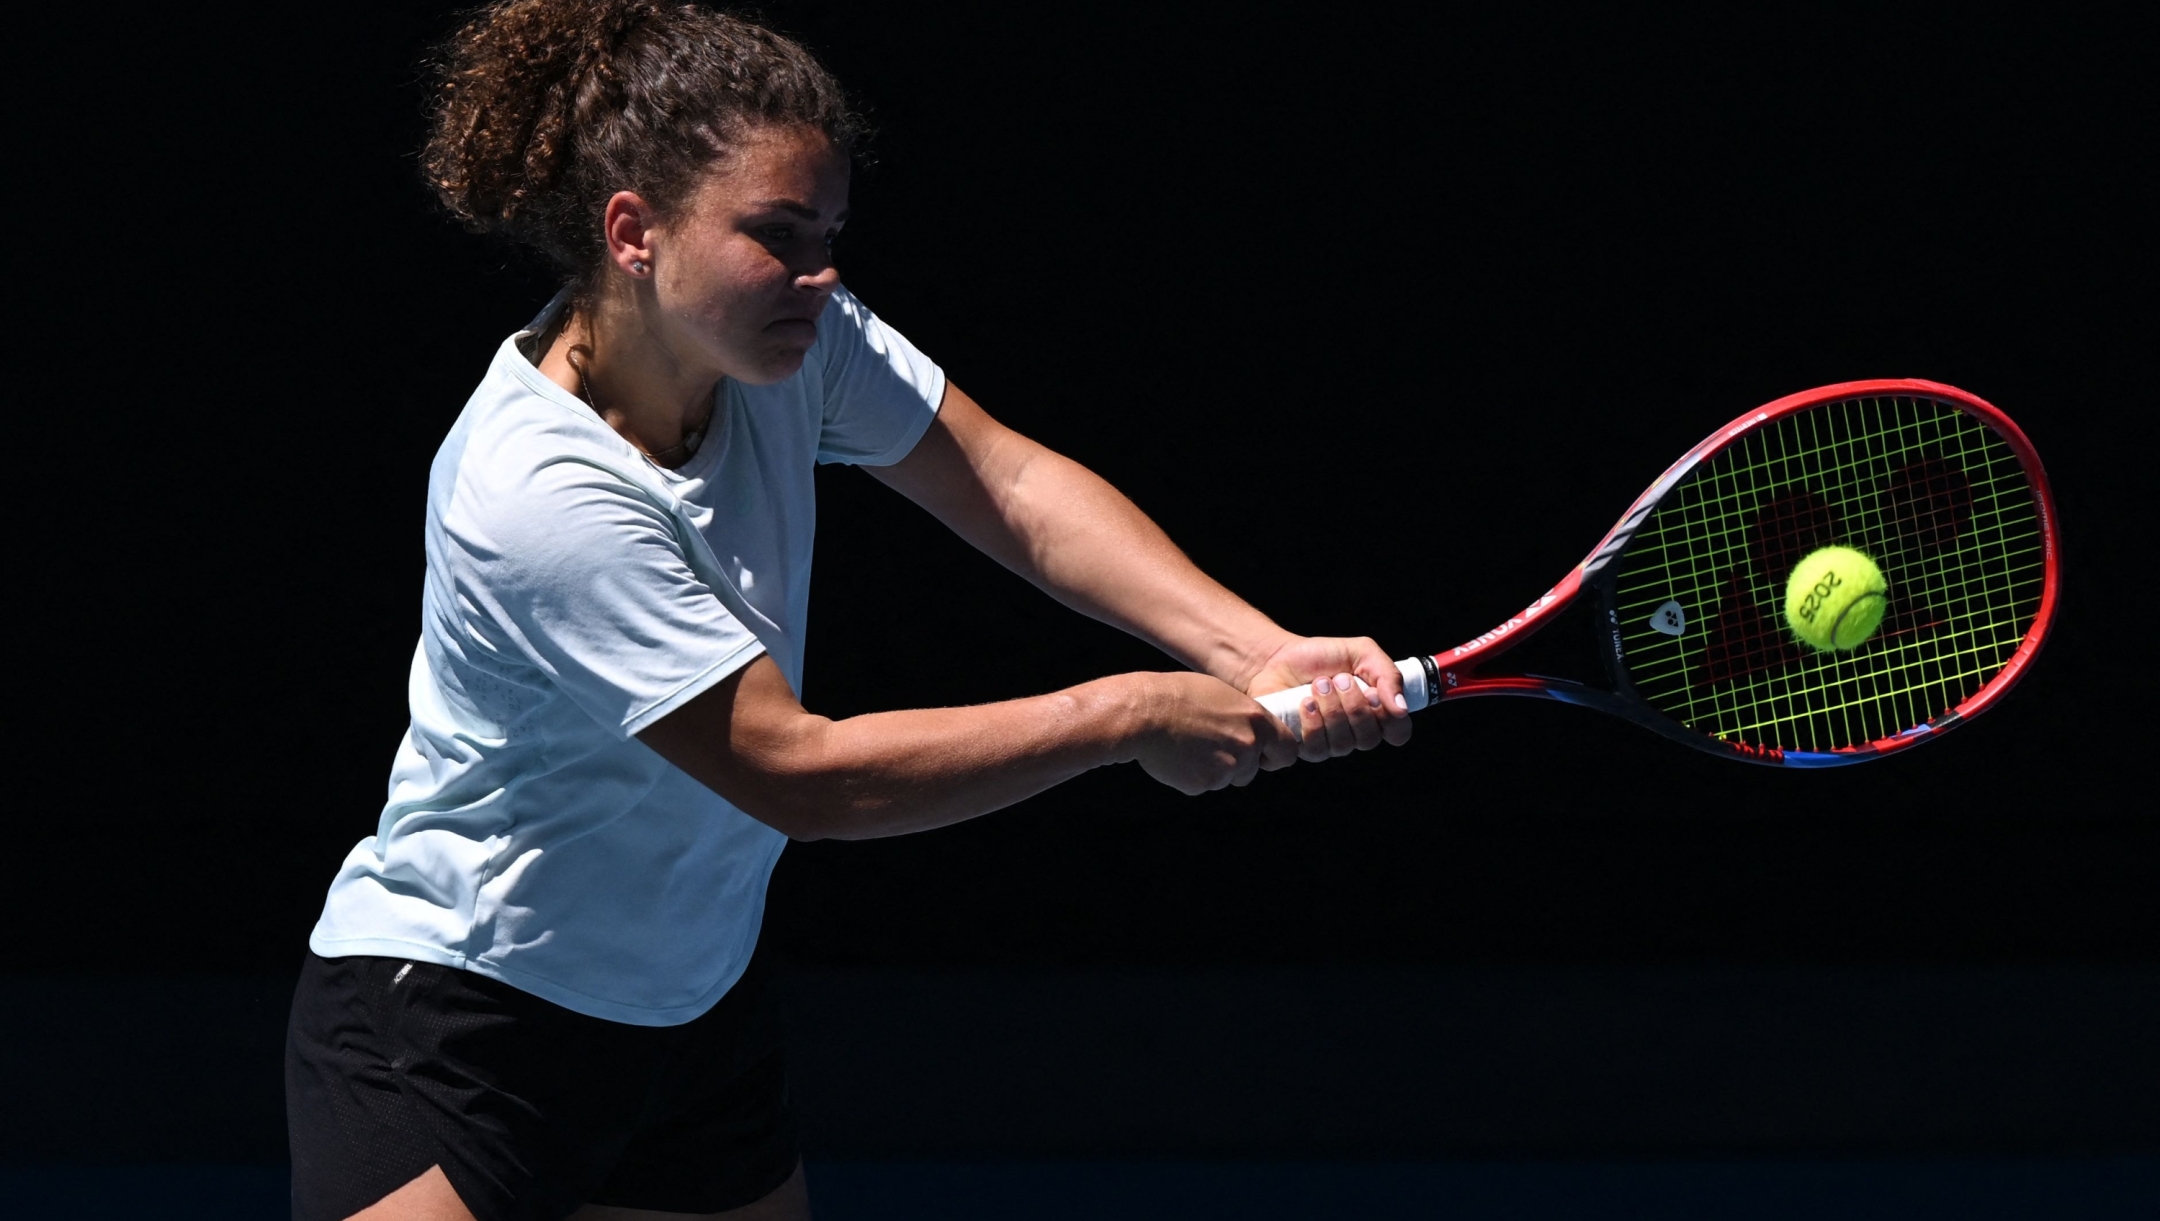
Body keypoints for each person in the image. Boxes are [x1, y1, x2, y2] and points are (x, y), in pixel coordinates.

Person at [285, 2, 1413, 1218]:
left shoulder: (791, 341)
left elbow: (1011, 484)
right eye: (778, 235)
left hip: (692, 1004)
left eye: (828, 231)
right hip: (469, 1020)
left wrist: (1255, 650)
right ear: (634, 233)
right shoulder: (536, 492)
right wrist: (1129, 713)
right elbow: (800, 775)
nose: (820, 273)